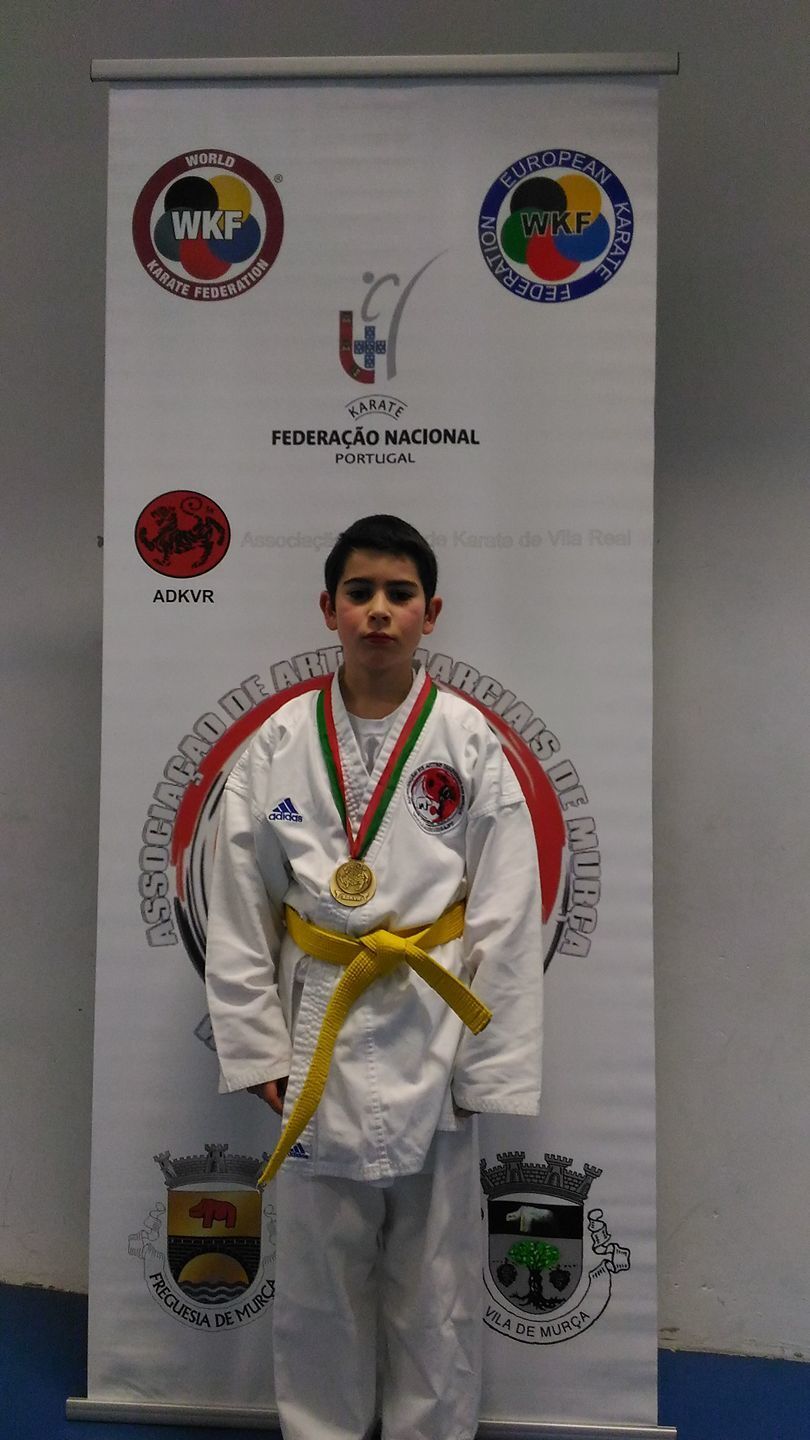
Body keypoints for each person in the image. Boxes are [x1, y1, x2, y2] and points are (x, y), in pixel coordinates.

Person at [205, 514, 543, 1440]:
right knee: (319, 1277)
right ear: (329, 608)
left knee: (435, 1278)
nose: (380, 611)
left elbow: (508, 907)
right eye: (360, 593)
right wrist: (257, 1047)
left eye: (400, 594)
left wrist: (490, 1063)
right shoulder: (278, 741)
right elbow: (237, 903)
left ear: (432, 612)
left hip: (433, 1020)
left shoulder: (468, 739)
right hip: (317, 1021)